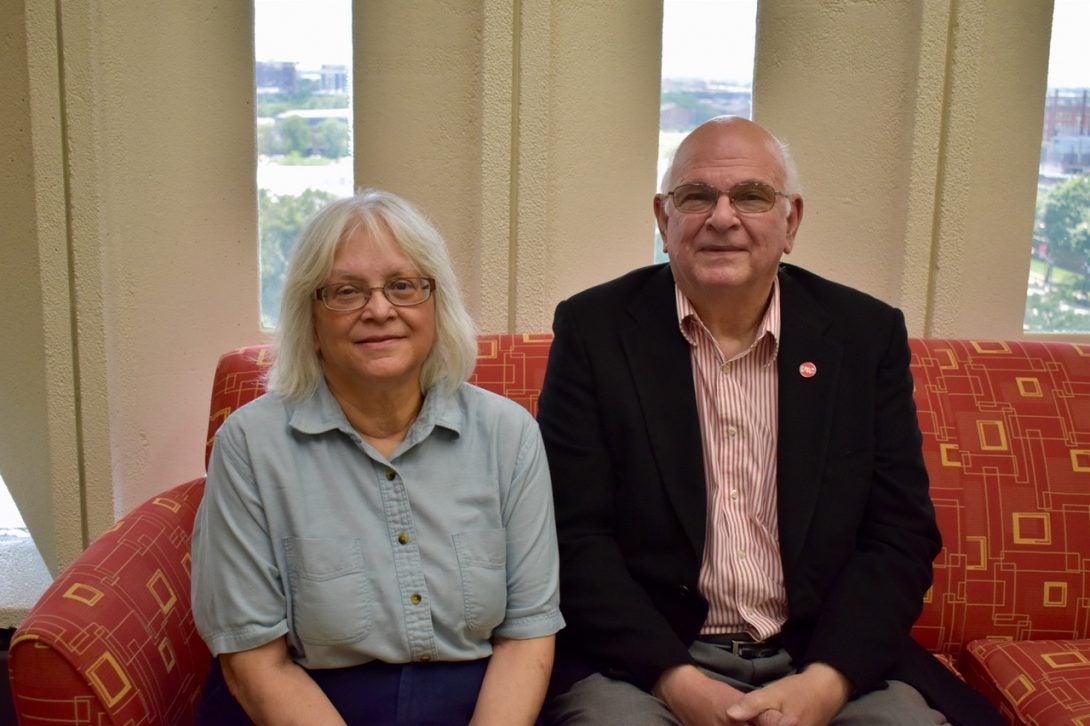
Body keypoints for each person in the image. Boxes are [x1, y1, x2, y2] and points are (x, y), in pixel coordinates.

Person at [536, 117, 1001, 726]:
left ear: (792, 221)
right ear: (663, 218)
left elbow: (898, 536)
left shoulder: (862, 336)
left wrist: (826, 685)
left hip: (822, 655)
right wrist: (676, 682)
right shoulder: (595, 331)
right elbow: (573, 537)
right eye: (696, 196)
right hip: (649, 660)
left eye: (751, 196)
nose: (722, 218)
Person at [191, 189, 563, 725]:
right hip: (304, 701)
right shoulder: (250, 445)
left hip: (482, 703)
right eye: (345, 291)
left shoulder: (510, 435)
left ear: (436, 304)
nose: (380, 310)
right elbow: (255, 661)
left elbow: (528, 634)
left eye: (403, 286)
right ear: (310, 319)